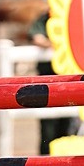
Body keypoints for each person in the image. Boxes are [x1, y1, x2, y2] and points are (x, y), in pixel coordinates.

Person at [28, 8, 75, 156]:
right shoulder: (44, 19)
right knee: (48, 122)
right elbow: (37, 38)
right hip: (47, 77)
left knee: (68, 119)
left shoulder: (71, 17)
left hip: (68, 76)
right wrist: (56, 45)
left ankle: (65, 156)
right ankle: (45, 157)